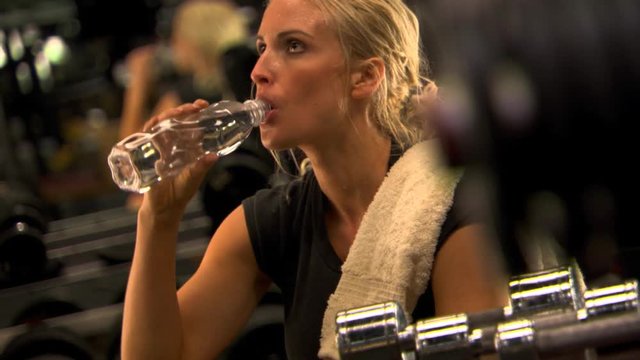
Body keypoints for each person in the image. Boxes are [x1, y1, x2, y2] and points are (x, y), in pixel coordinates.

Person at [120, 0, 509, 359]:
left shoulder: (447, 203)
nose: (258, 72)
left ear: (365, 76)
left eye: (293, 47)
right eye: (262, 48)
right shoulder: (274, 220)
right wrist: (158, 220)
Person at [117, 0, 254, 210]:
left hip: (203, 206)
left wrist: (138, 84)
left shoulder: (185, 95)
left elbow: (129, 160)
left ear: (192, 39)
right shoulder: (250, 79)